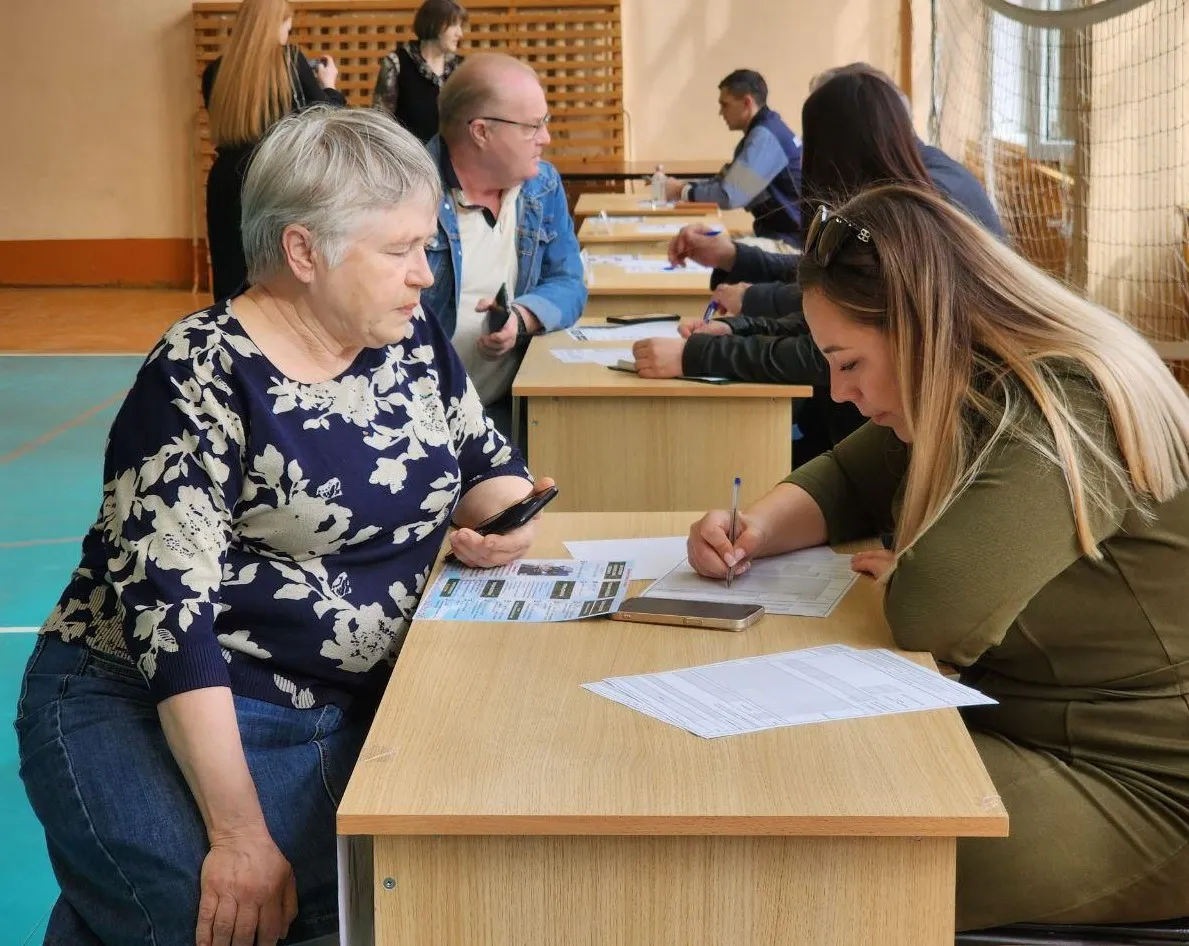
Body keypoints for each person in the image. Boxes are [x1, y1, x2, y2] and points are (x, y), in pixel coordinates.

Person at [16, 106, 554, 946]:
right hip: (156, 699)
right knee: (215, 918)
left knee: (338, 911)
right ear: (303, 252)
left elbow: (484, 463)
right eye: (399, 250)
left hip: (323, 701)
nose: (425, 275)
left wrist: (504, 517)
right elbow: (172, 623)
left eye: (426, 247)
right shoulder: (201, 373)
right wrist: (237, 836)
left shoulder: (405, 344)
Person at [688, 184, 1189, 932]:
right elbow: (852, 476)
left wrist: (918, 565)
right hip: (1026, 723)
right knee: (771, 785)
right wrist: (754, 525)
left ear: (922, 328)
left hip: (1138, 784)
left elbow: (930, 610)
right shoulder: (968, 380)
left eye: (848, 361)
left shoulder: (1060, 401)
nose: (838, 390)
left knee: (792, 842)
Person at [634, 68, 1004, 461]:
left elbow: (830, 353)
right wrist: (738, 326)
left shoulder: (913, 211)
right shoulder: (905, 186)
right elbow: (837, 317)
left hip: (951, 435)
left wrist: (701, 354)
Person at [421, 53, 586, 438]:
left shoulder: (542, 186)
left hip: (502, 412)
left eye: (544, 123)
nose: (545, 138)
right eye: (532, 126)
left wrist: (520, 317)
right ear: (481, 132)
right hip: (417, 419)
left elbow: (570, 283)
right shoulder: (406, 190)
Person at [202, 0, 345, 302]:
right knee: (280, 279)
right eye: (286, 26)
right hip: (274, 179)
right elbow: (325, 121)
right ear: (277, 24)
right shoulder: (291, 60)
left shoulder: (216, 71)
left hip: (225, 181)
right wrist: (330, 86)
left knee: (230, 281)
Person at [656, 69, 803, 246]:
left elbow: (729, 196)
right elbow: (723, 182)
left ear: (747, 102)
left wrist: (680, 191)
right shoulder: (765, 130)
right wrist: (678, 186)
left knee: (704, 248)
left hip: (789, 244)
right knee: (702, 243)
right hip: (779, 235)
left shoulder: (765, 137)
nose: (720, 112)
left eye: (725, 105)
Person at [372, 0, 467, 142]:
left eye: (460, 26)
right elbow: (381, 122)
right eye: (454, 25)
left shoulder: (461, 67)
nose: (460, 34)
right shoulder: (397, 63)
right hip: (409, 158)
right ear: (435, 24)